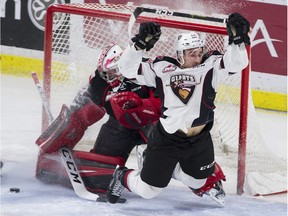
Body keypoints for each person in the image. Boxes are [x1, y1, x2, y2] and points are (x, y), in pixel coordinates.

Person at [106, 12, 250, 206]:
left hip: (199, 139)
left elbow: (238, 63)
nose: (197, 58)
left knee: (198, 181)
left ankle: (173, 169)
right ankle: (123, 176)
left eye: (199, 53)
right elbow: (127, 69)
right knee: (149, 191)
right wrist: (138, 45)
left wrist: (237, 42)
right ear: (179, 55)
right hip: (167, 139)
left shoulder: (211, 66)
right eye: (192, 54)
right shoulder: (161, 68)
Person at [34, 43, 161, 195]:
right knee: (100, 169)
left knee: (166, 154)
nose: (109, 77)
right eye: (106, 73)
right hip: (120, 127)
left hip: (152, 120)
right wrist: (62, 132)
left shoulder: (146, 69)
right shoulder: (99, 82)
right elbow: (79, 114)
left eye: (113, 71)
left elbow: (166, 104)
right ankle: (123, 178)